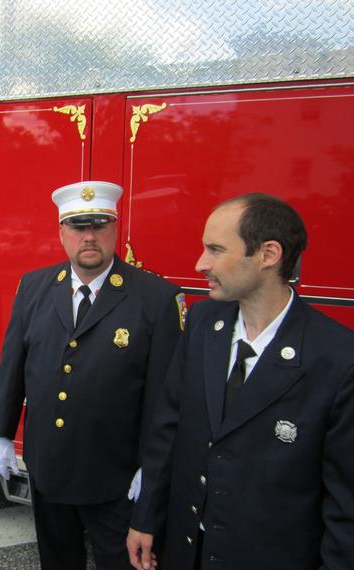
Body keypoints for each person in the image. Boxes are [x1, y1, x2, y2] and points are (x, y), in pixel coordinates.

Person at [126, 193, 354, 570]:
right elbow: (168, 430)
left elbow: (345, 505)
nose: (201, 264)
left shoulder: (337, 358)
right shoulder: (202, 325)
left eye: (216, 250)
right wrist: (146, 517)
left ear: (268, 254)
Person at [0, 181, 185, 569]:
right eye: (78, 226)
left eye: (100, 225)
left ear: (117, 228)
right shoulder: (35, 286)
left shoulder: (156, 298)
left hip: (116, 477)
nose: (89, 236)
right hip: (50, 469)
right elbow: (14, 363)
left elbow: (165, 398)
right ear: (62, 232)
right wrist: (1, 432)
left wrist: (153, 467)